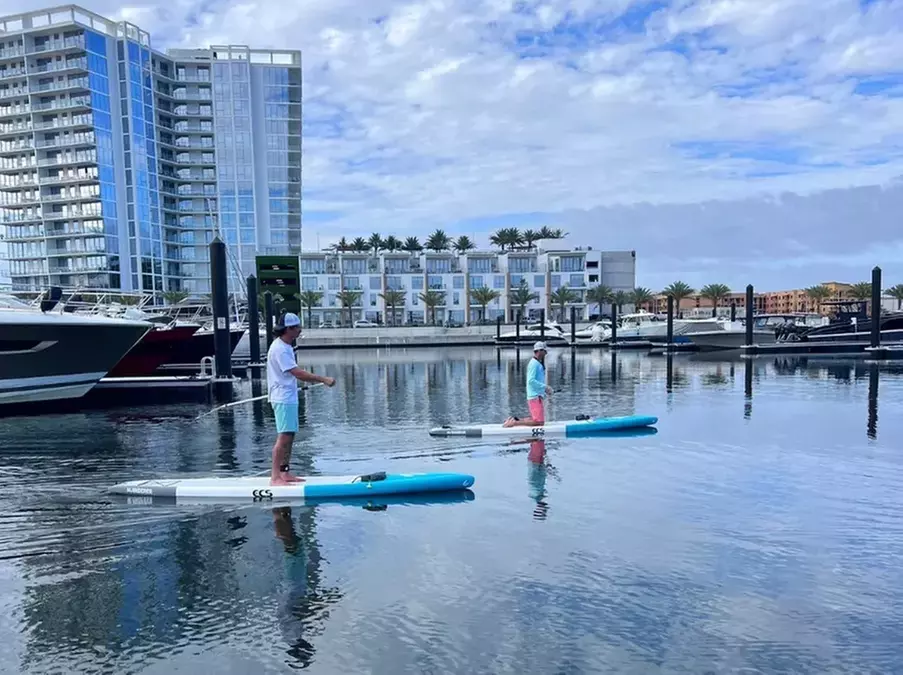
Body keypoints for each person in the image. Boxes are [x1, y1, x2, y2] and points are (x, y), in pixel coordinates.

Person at [267, 312, 335, 485]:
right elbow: (297, 373)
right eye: (296, 327)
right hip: (282, 398)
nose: (299, 329)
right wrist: (323, 379)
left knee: (289, 436)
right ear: (287, 329)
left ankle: (284, 473)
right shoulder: (280, 349)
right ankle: (275, 477)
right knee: (283, 437)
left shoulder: (287, 346)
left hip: (289, 397)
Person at [503, 341, 553, 427]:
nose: (546, 353)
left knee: (536, 419)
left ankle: (514, 420)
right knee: (539, 422)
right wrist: (545, 387)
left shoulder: (536, 363)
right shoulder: (534, 364)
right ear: (539, 351)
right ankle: (514, 423)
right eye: (545, 351)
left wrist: (544, 390)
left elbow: (537, 381)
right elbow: (531, 381)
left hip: (536, 396)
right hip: (535, 397)